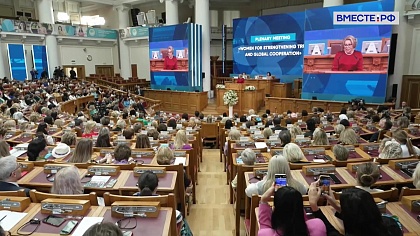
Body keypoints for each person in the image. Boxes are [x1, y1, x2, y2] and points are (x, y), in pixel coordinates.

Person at [308, 184, 403, 236]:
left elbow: (331, 230)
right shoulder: (391, 224)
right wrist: (336, 206)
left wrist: (314, 206)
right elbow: (360, 215)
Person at [258, 185, 326, 236]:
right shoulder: (318, 225)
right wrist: (295, 204)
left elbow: (265, 228)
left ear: (277, 211)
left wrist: (263, 201)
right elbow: (299, 217)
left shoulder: (265, 233)